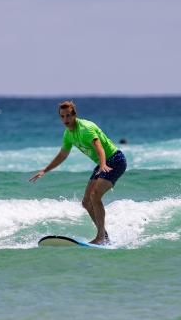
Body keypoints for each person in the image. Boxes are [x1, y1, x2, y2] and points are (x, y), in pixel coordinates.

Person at [29, 101, 126, 245]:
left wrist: (103, 164)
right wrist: (45, 170)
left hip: (115, 160)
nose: (65, 120)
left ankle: (100, 237)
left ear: (74, 115)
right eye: (62, 116)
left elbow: (99, 147)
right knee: (86, 202)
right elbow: (62, 155)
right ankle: (104, 236)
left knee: (95, 196)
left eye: (68, 116)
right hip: (102, 163)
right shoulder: (68, 134)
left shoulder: (85, 129)